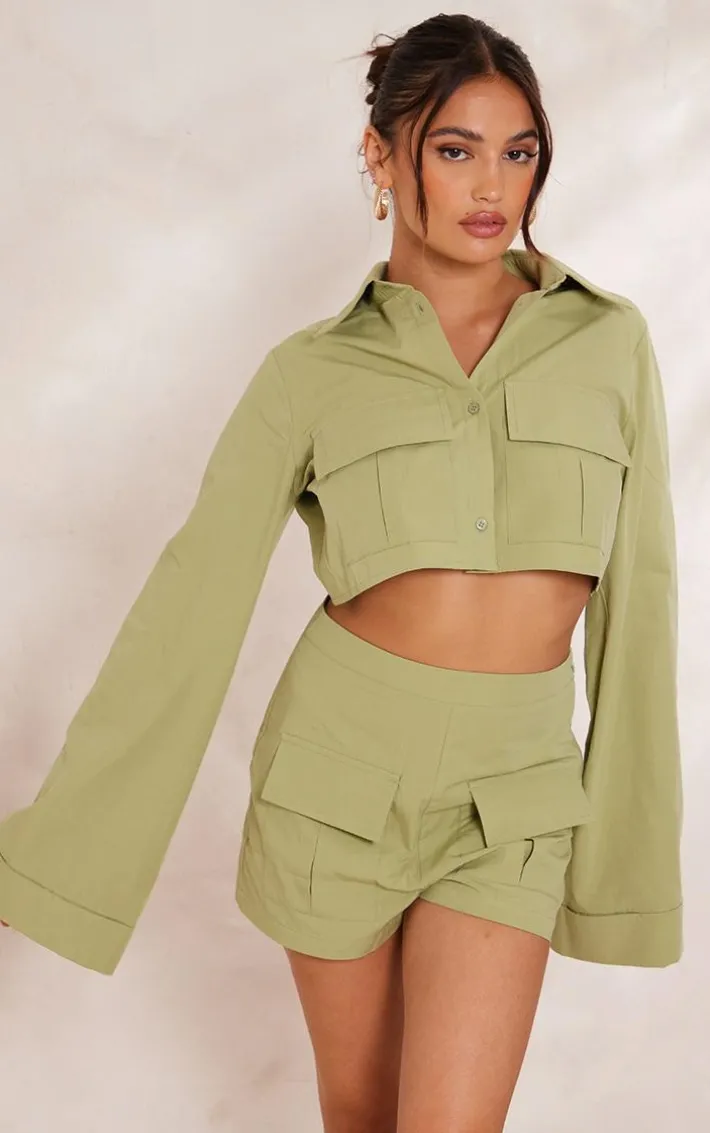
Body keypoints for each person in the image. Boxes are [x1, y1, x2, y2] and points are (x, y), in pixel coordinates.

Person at [0, 13, 682, 1133]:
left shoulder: (606, 342)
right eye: (454, 148)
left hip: (512, 792)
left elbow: (640, 601)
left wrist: (626, 867)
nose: (492, 185)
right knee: (360, 1118)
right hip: (335, 782)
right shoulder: (309, 374)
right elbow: (188, 609)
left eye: (518, 152)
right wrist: (52, 858)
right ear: (381, 156)